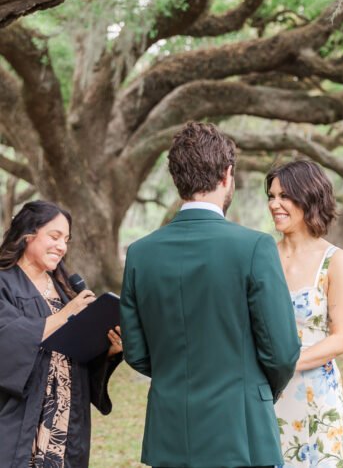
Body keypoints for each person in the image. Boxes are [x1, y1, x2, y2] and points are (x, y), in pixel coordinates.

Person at [120, 121, 301, 468]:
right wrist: (259, 391)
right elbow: (281, 351)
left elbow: (137, 351)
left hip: (170, 431)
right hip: (241, 430)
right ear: (227, 175)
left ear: (176, 179)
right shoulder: (255, 247)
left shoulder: (141, 252)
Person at [0, 200, 123, 468]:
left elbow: (75, 353)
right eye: (54, 236)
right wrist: (68, 313)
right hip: (23, 418)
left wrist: (107, 351)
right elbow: (7, 339)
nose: (62, 246)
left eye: (66, 239)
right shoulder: (4, 283)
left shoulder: (64, 288)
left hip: (66, 418)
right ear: (27, 234)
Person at [265, 160, 343, 468]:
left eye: (284, 197)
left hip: (316, 398)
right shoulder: (261, 256)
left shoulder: (337, 262)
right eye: (271, 196)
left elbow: (341, 338)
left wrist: (284, 364)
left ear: (309, 198)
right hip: (266, 397)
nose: (274, 204)